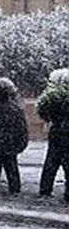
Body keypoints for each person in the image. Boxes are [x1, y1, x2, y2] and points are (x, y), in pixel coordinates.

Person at [37, 68, 69, 201]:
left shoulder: (52, 97)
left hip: (56, 131)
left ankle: (45, 188)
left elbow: (43, 111)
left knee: (51, 161)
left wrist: (52, 119)